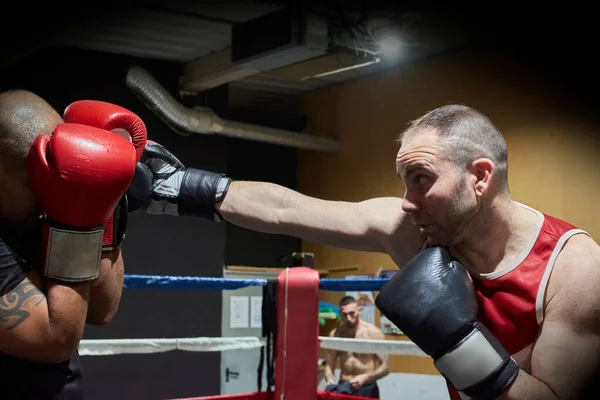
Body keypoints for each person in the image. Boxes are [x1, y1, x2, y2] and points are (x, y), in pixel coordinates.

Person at [130, 104, 600, 399]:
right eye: (404, 182)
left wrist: (457, 344)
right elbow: (287, 209)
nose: (406, 201)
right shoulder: (411, 229)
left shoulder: (575, 271)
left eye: (422, 180)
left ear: (480, 177)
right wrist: (185, 188)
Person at [0, 90, 146, 399]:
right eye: (34, 183)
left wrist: (100, 210)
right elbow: (57, 339)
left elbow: (102, 311)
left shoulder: (35, 210)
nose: (46, 197)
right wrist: (75, 223)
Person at [322, 295, 389, 398]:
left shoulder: (372, 333)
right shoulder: (336, 334)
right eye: (344, 315)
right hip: (344, 386)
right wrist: (330, 380)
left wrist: (366, 377)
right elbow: (330, 365)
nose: (349, 318)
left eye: (352, 313)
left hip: (367, 386)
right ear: (340, 313)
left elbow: (386, 367)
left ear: (359, 310)